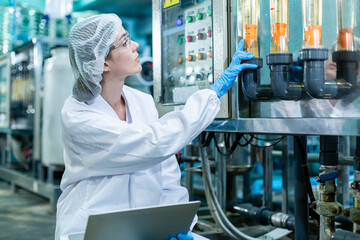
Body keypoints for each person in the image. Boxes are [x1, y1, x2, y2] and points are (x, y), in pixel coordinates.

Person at [55, 14, 257, 240]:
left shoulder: (141, 101)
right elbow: (154, 143)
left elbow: (166, 170)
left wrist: (179, 224)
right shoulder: (78, 116)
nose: (136, 45)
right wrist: (213, 93)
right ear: (103, 63)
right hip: (92, 230)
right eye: (125, 41)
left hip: (145, 227)